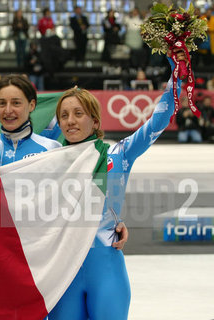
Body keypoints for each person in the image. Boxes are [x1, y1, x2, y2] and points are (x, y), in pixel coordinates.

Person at [45, 49, 185, 320]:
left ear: (95, 120)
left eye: (78, 113)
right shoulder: (47, 160)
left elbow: (158, 121)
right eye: (64, 115)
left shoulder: (117, 155)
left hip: (107, 270)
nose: (71, 120)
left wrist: (177, 76)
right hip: (63, 276)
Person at [0, 74, 62, 167]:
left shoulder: (52, 149)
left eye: (16, 103)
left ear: (31, 105)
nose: (8, 110)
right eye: (2, 103)